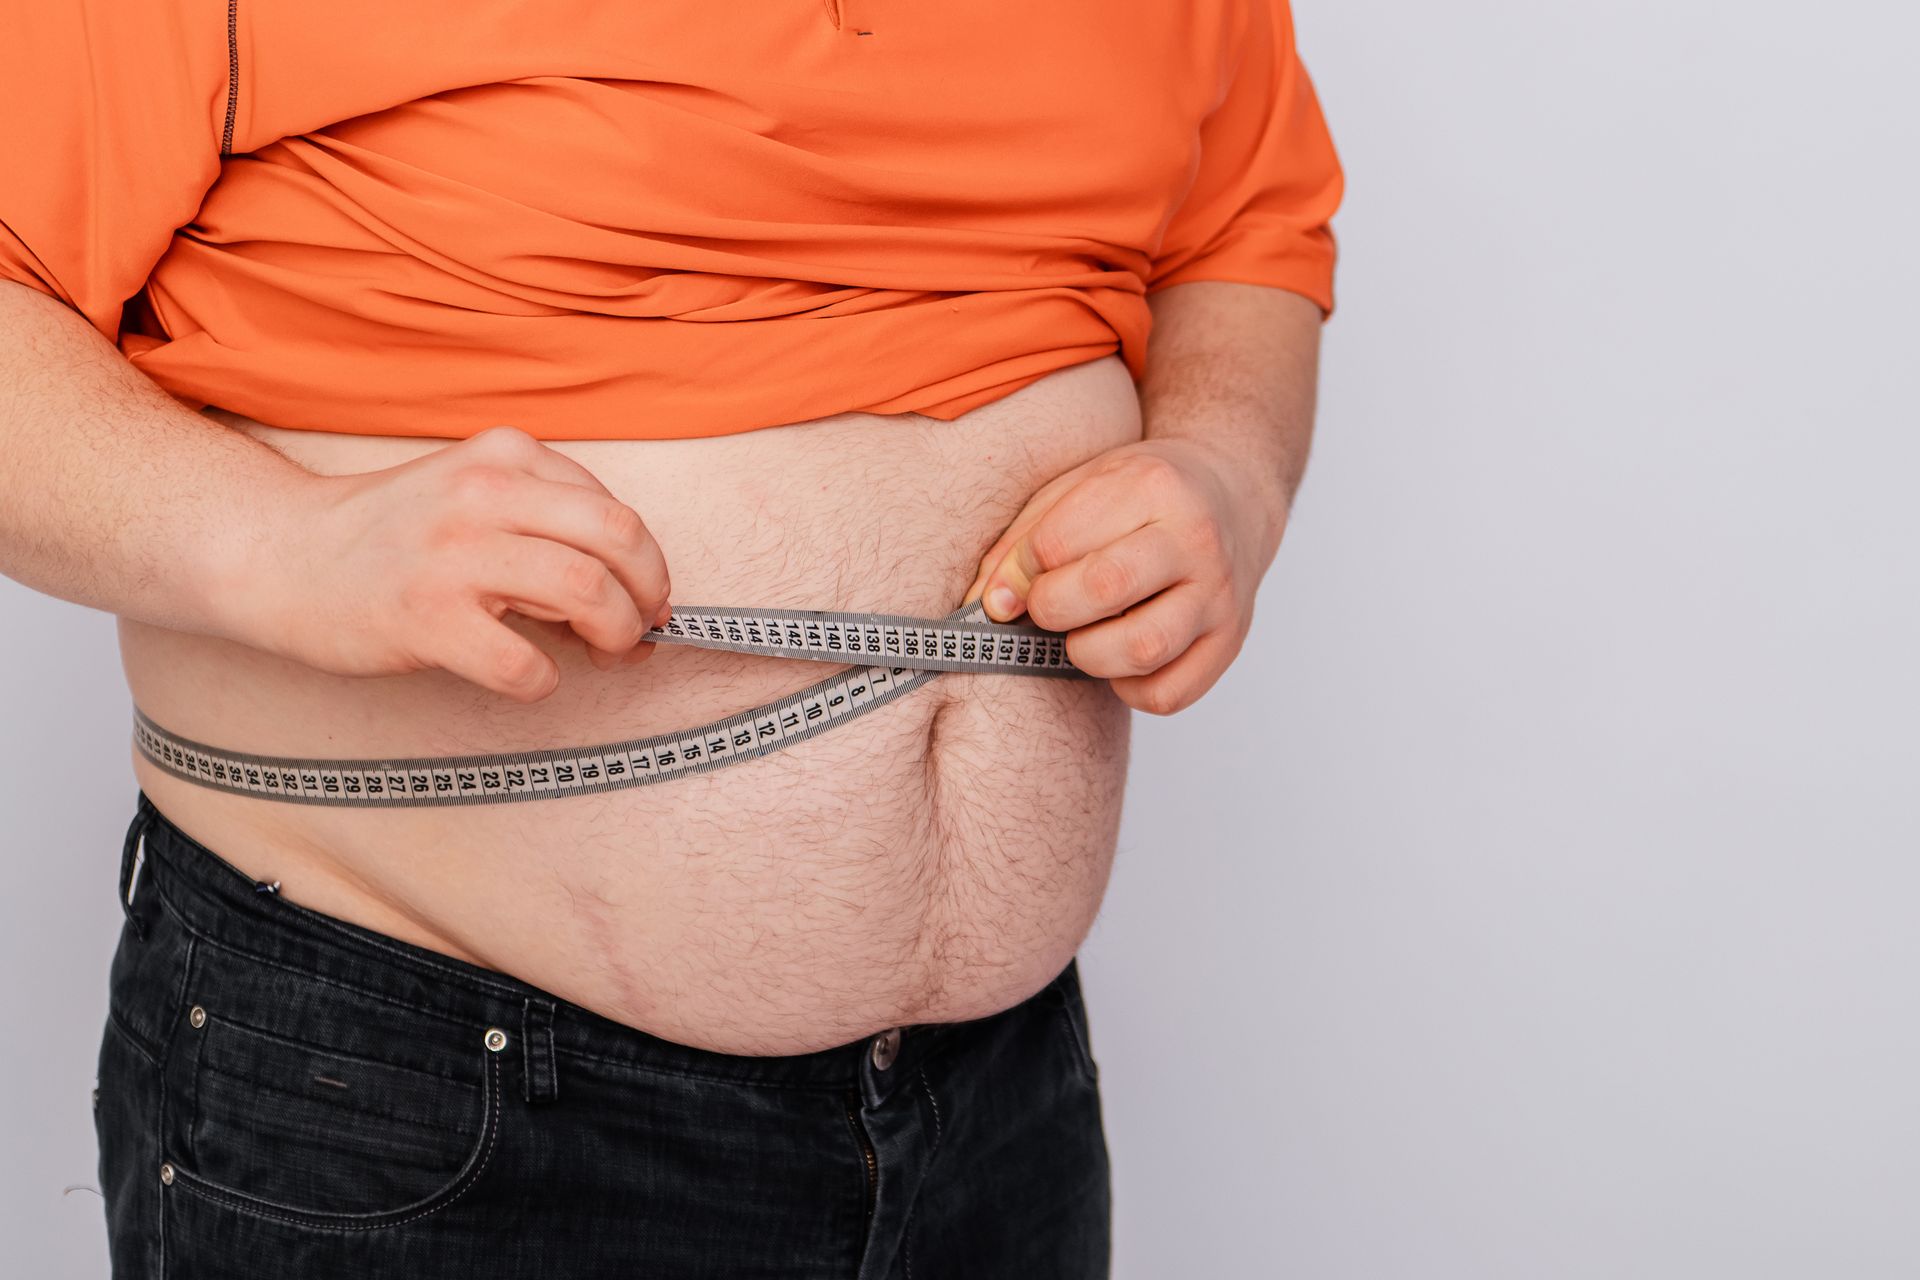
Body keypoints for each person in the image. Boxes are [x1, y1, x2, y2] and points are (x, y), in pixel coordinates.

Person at [0, 1, 1342, 1275]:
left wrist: (1227, 466)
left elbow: (1241, 232)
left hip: (998, 1107)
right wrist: (282, 544)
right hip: (413, 1092)